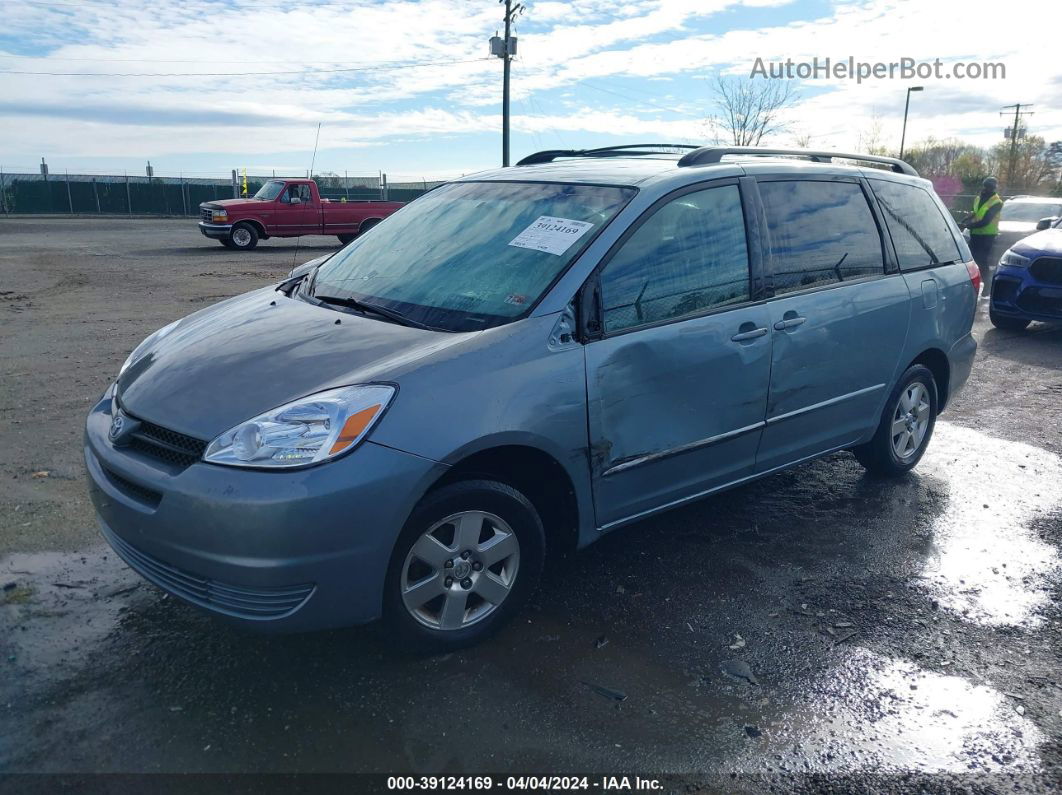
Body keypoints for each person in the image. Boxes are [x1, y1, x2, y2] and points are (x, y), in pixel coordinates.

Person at [961, 177, 1003, 295]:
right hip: (976, 234)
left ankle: (987, 285)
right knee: (971, 259)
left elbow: (986, 220)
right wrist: (966, 219)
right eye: (985, 186)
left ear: (993, 188)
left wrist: (970, 225)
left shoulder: (997, 202)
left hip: (987, 235)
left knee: (982, 260)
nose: (986, 189)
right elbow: (975, 212)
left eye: (989, 187)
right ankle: (971, 284)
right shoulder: (978, 198)